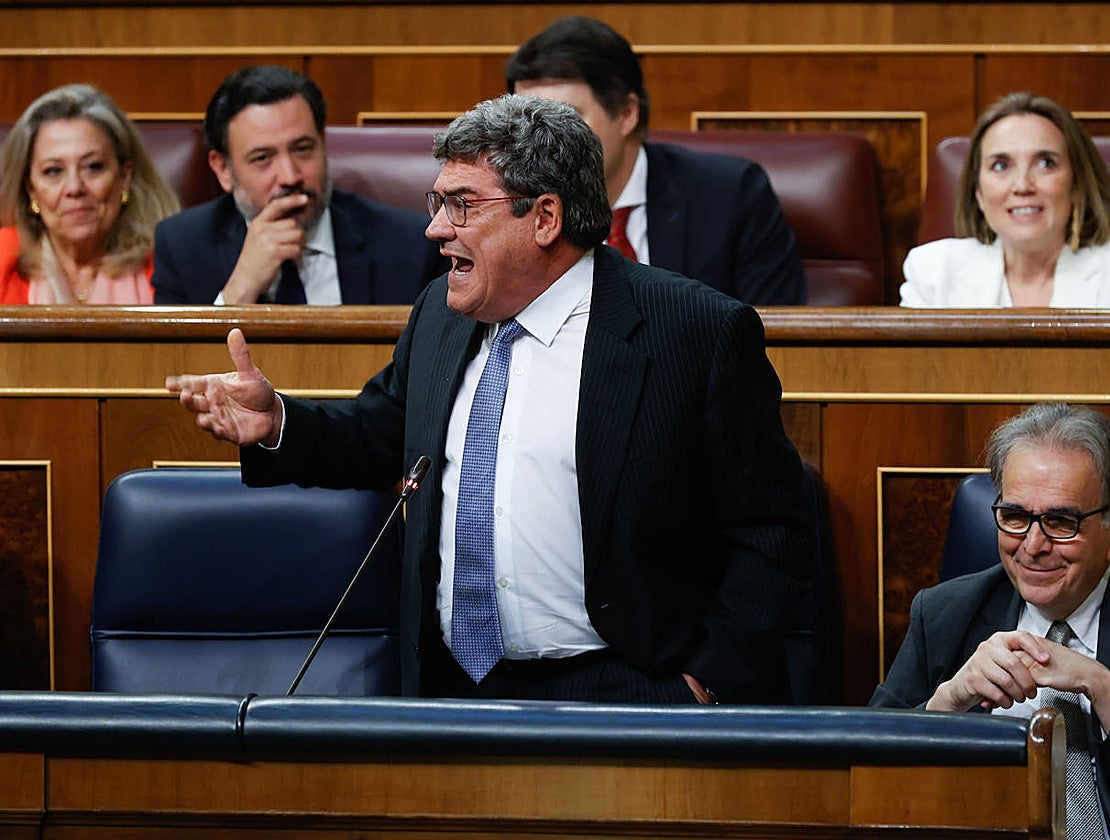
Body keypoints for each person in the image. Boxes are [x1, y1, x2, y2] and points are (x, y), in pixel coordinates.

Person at [167, 94, 815, 705]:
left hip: (630, 689)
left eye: (461, 205)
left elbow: (773, 527)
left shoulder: (691, 331)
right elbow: (381, 435)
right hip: (454, 689)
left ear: (544, 217)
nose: (435, 230)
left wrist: (706, 680)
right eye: (436, 202)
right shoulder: (441, 315)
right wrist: (277, 420)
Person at [872, 402, 1110, 839]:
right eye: (1015, 517)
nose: (1032, 545)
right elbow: (870, 771)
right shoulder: (943, 614)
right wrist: (948, 703)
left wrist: (1106, 694)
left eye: (1060, 521)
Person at [505, 16, 806, 306]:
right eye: (526, 121)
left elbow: (776, 336)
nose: (539, 142)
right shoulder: (507, 208)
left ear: (626, 114)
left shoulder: (730, 197)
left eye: (564, 118)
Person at [152, 65, 446, 305]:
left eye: (302, 149)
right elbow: (176, 367)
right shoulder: (182, 247)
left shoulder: (410, 247)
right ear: (223, 169)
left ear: (323, 144)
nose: (290, 176)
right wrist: (239, 291)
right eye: (262, 158)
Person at [900, 92, 1110, 309]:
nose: (1022, 186)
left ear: (1077, 185)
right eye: (1000, 166)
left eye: (1045, 163)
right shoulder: (932, 272)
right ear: (979, 194)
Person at [0, 84, 180, 304]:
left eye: (93, 167)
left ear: (124, 176)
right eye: (53, 171)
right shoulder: (4, 258)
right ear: (30, 189)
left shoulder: (169, 261)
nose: (75, 188)